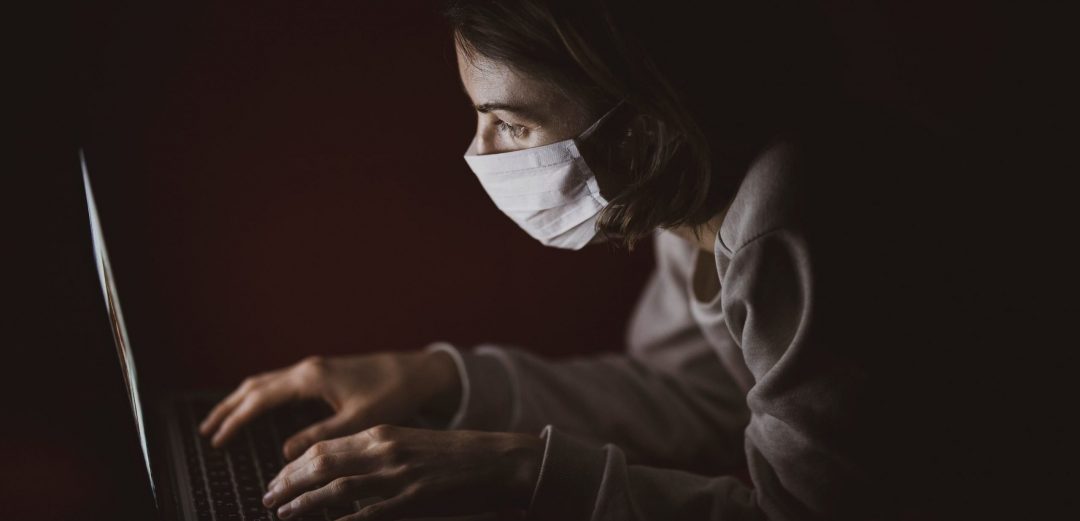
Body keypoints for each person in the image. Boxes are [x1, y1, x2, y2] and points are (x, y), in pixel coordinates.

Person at [199, 1, 1010, 519]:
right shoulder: (693, 188)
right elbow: (694, 395)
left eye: (508, 124)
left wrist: (520, 474)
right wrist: (440, 377)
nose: (478, 152)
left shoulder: (792, 221)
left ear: (644, 121)